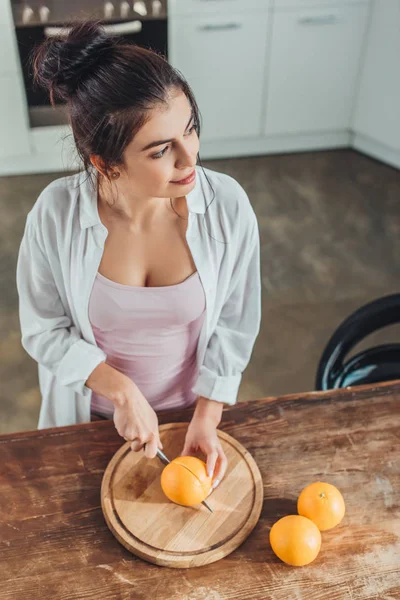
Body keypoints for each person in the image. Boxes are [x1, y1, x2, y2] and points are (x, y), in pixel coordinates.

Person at [16, 21, 261, 490]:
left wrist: (206, 419)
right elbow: (43, 329)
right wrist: (121, 391)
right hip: (90, 417)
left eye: (190, 129)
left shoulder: (227, 205)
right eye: (160, 150)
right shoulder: (55, 214)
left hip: (190, 415)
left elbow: (235, 321)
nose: (190, 159)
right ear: (105, 163)